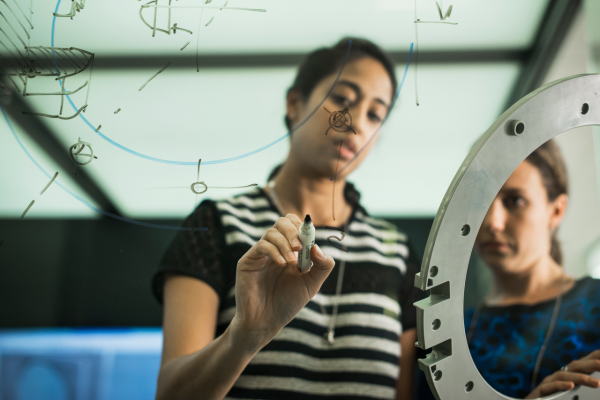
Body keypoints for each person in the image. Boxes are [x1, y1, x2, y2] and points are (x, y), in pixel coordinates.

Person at [151, 37, 425, 400]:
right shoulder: (217, 224)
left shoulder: (398, 252)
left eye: (375, 114)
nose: (356, 121)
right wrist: (244, 337)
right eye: (343, 99)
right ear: (295, 103)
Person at [464, 139, 600, 399]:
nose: (493, 222)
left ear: (556, 210)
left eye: (515, 201)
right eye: (480, 200)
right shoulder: (450, 333)